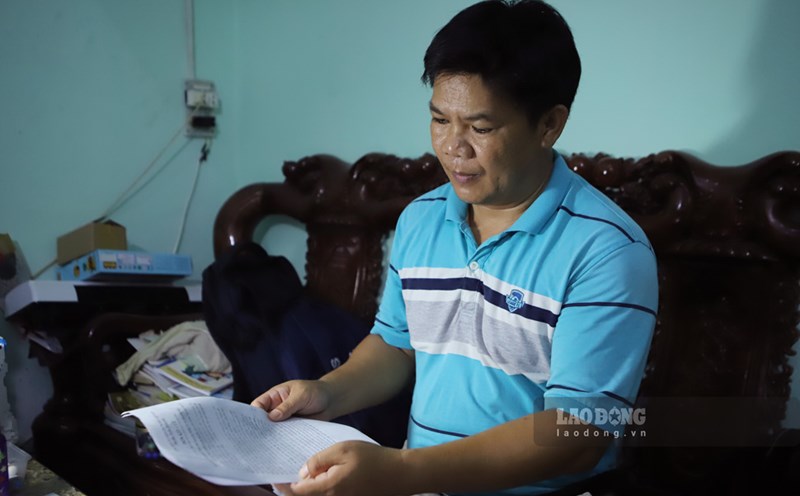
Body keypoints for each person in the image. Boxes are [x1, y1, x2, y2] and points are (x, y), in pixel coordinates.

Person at [252, 1, 658, 494]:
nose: (452, 148)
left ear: (550, 124)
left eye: (480, 128)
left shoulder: (607, 250)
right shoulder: (422, 220)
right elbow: (398, 346)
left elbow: (579, 432)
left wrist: (400, 471)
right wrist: (326, 393)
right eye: (440, 120)